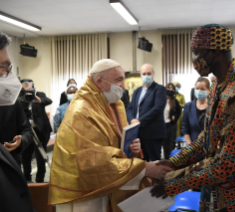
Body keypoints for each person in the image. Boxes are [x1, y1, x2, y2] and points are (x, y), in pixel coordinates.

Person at [151, 24, 235, 212]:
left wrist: (172, 182)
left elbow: (226, 164)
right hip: (222, 190)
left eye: (196, 53)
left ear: (214, 52)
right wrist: (174, 162)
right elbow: (207, 139)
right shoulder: (220, 87)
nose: (194, 60)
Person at [49, 59, 173, 212]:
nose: (123, 86)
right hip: (86, 193)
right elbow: (90, 160)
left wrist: (132, 148)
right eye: (118, 80)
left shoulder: (114, 103)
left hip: (108, 183)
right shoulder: (81, 110)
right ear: (100, 81)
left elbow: (114, 144)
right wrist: (144, 168)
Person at [0, 31, 35, 212]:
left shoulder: (10, 100)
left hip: (13, 175)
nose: (6, 74)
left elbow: (27, 130)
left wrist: (22, 140)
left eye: (8, 67)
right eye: (3, 67)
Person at [126, 64, 167, 161]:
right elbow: (130, 108)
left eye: (149, 73)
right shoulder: (137, 91)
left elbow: (158, 108)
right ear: (140, 75)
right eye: (144, 74)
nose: (146, 76)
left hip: (153, 133)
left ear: (153, 74)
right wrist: (132, 120)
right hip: (138, 133)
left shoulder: (159, 89)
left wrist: (140, 121)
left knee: (154, 162)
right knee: (140, 162)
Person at [20, 79, 53, 183]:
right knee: (26, 158)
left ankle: (40, 180)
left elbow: (49, 101)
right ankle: (27, 181)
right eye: (24, 90)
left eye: (29, 89)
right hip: (26, 133)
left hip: (41, 132)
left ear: (33, 88)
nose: (27, 93)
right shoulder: (19, 98)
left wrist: (39, 100)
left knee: (40, 158)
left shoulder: (39, 94)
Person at [182, 77, 210, 145]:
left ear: (208, 90)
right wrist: (190, 146)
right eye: (197, 89)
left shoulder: (213, 106)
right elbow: (185, 129)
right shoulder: (188, 106)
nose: (199, 91)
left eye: (202, 89)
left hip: (210, 146)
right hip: (192, 145)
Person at [163, 83, 181, 159]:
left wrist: (175, 117)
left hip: (170, 125)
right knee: (163, 143)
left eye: (172, 88)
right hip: (162, 125)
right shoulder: (161, 99)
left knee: (170, 143)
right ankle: (164, 158)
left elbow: (179, 111)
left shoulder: (174, 101)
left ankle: (170, 160)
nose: (170, 90)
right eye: (168, 88)